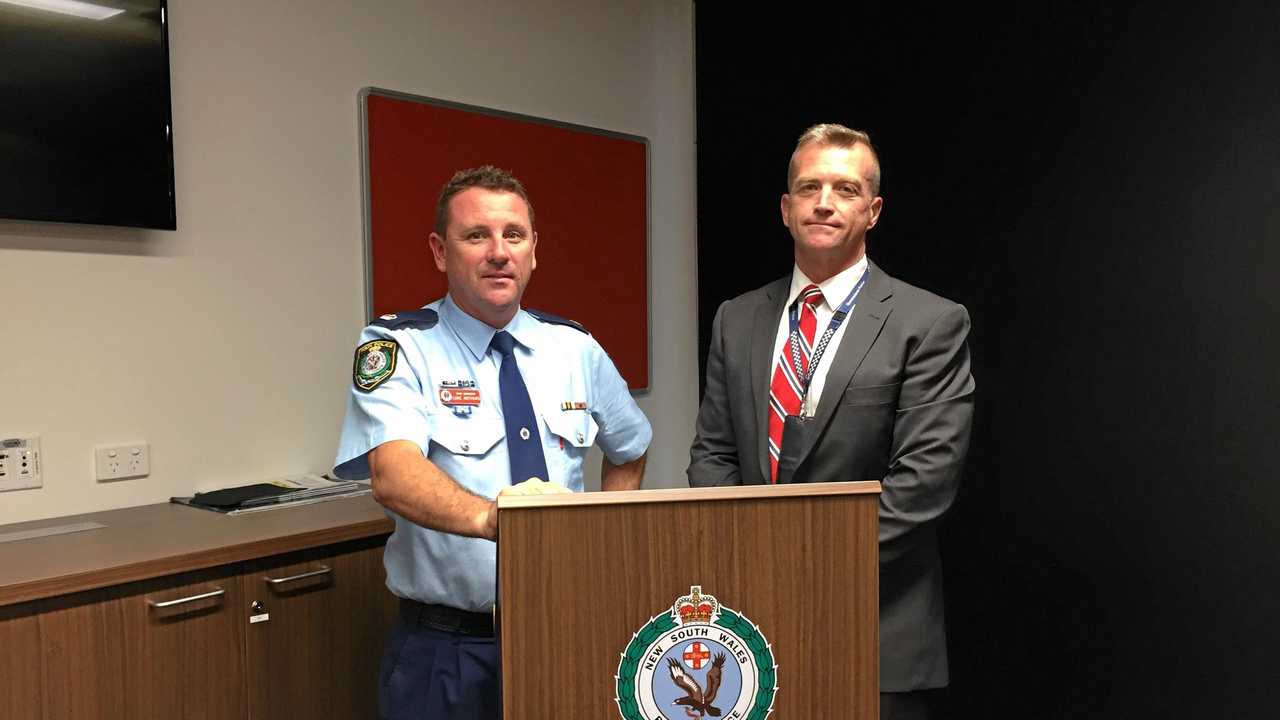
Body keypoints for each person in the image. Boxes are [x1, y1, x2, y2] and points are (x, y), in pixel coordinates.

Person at [332, 165, 651, 720]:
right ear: (440, 251)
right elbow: (393, 472)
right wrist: (496, 520)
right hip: (447, 651)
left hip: (566, 632)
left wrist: (598, 535)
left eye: (514, 235)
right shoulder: (399, 348)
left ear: (533, 252)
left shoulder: (574, 347)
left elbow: (629, 445)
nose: (498, 252)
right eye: (476, 236)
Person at [686, 124, 974, 720]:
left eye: (845, 189)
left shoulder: (930, 322)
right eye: (808, 187)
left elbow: (923, 484)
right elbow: (713, 454)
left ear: (873, 211)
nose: (823, 202)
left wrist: (801, 564)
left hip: (875, 628)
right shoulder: (735, 319)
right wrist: (751, 565)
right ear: (785, 209)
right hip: (749, 623)